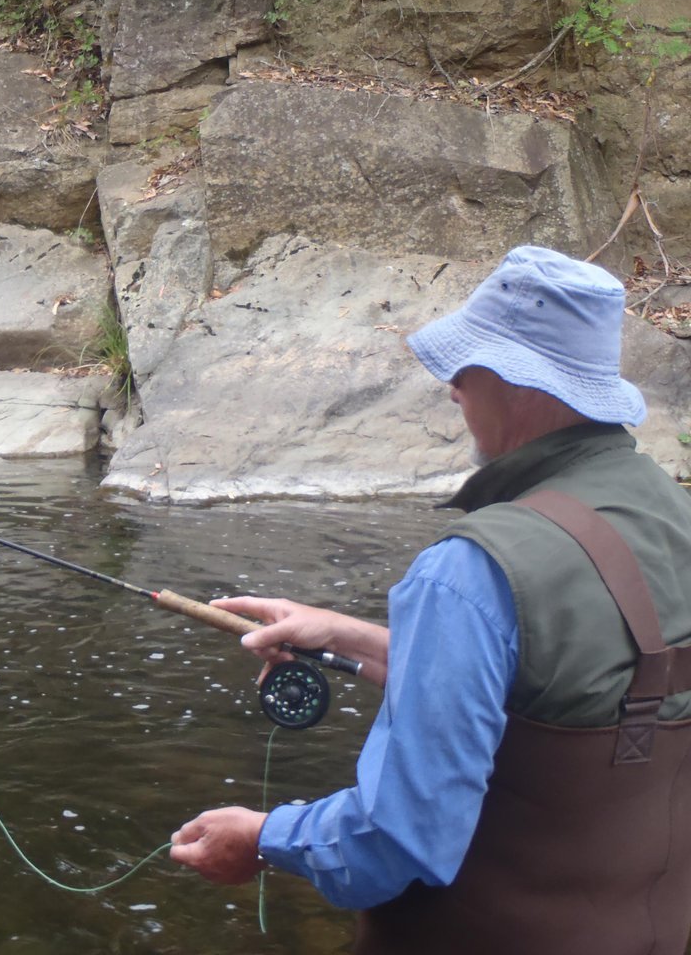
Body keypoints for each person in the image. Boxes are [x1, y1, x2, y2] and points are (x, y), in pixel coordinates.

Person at [169, 245, 691, 954]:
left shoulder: (468, 572)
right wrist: (352, 635)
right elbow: (588, 683)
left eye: (466, 365)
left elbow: (395, 842)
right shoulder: (671, 515)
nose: (451, 386)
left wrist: (263, 841)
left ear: (520, 382)